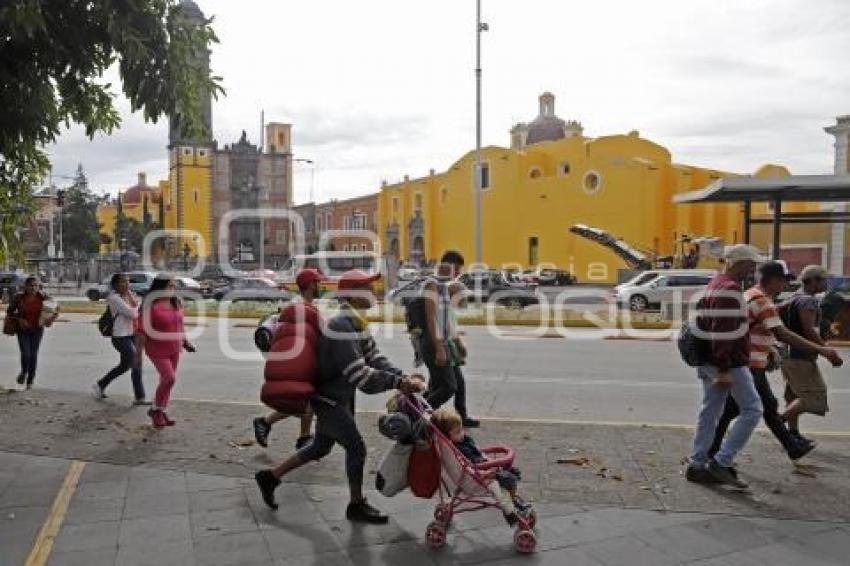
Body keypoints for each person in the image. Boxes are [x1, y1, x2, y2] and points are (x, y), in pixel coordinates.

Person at [254, 269, 423, 524]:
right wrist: (398, 382)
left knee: (321, 446)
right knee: (356, 448)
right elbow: (361, 376)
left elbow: (375, 358)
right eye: (367, 288)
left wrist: (402, 376)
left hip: (338, 398)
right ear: (354, 295)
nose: (374, 292)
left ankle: (270, 477)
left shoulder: (355, 323)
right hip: (328, 401)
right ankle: (355, 505)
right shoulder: (340, 327)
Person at [708, 262, 842, 462]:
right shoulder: (763, 301)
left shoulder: (750, 294)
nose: (784, 286)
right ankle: (717, 455)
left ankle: (791, 446)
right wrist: (822, 350)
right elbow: (783, 333)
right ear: (773, 281)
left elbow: (753, 329)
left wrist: (769, 348)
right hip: (751, 363)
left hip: (749, 361)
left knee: (753, 407)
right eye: (782, 281)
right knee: (753, 407)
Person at [686, 245, 764, 489]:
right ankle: (721, 461)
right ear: (736, 263)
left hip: (711, 359)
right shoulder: (729, 288)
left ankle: (697, 464)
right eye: (750, 265)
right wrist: (724, 369)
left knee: (710, 411)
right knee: (752, 409)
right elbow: (723, 332)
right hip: (727, 362)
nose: (752, 271)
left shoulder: (717, 283)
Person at [253, 268, 323, 449]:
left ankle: (294, 433)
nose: (321, 286)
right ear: (310, 285)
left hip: (301, 361)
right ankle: (303, 438)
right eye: (318, 282)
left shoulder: (300, 306)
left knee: (304, 400)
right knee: (304, 397)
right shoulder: (302, 308)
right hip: (298, 363)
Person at [431, 407, 529, 525]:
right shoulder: (457, 449)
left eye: (461, 429)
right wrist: (487, 471)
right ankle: (511, 513)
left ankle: (513, 503)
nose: (462, 433)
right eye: (457, 432)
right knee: (500, 485)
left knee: (508, 478)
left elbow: (475, 454)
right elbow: (468, 465)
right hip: (475, 478)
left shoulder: (461, 442)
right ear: (447, 436)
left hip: (478, 471)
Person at [419, 250, 479, 427]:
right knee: (448, 387)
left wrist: (457, 340)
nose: (459, 273)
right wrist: (439, 347)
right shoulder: (431, 285)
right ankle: (417, 413)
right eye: (458, 269)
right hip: (433, 342)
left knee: (457, 383)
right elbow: (431, 318)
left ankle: (462, 417)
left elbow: (446, 319)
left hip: (445, 342)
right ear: (448, 266)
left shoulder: (444, 287)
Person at [780, 265, 838, 443]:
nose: (826, 283)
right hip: (800, 357)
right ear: (813, 281)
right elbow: (809, 330)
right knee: (814, 398)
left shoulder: (793, 298)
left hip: (788, 355)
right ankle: (778, 423)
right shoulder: (808, 301)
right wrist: (826, 350)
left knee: (793, 396)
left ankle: (793, 434)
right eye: (823, 279)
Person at [135, 274, 196, 428]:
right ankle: (156, 410)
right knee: (169, 378)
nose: (173, 289)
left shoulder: (176, 302)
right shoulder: (150, 306)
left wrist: (185, 341)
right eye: (170, 286)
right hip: (156, 349)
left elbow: (179, 324)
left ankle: (160, 410)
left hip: (174, 347)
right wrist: (138, 354)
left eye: (174, 286)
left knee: (167, 382)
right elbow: (141, 331)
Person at [92, 273, 149, 404]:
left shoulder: (130, 296)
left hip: (133, 334)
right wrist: (135, 303)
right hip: (120, 336)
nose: (127, 284)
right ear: (116, 285)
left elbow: (138, 309)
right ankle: (139, 397)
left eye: (128, 282)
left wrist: (135, 302)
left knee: (127, 365)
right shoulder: (114, 298)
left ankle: (101, 384)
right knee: (134, 362)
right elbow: (132, 313)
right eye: (123, 282)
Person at [6, 276, 57, 389]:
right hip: (23, 330)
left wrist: (51, 318)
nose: (33, 288)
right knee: (26, 353)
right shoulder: (19, 298)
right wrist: (19, 319)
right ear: (26, 286)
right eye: (31, 285)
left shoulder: (44, 297)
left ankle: (30, 381)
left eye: (36, 286)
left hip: (37, 330)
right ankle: (24, 372)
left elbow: (55, 309)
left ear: (39, 286)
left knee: (33, 355)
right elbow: (10, 311)